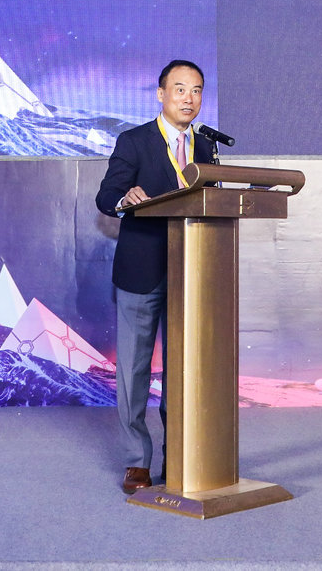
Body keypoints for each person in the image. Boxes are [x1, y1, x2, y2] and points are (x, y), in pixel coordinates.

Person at [94, 59, 217, 494]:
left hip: (193, 272)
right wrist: (124, 197)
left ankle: (179, 456)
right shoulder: (134, 141)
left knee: (184, 370)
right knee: (133, 369)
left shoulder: (207, 147)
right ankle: (137, 461)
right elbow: (106, 195)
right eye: (180, 89)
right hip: (141, 271)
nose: (189, 98)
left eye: (197, 90)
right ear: (161, 94)